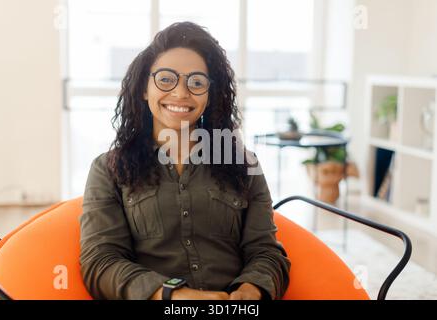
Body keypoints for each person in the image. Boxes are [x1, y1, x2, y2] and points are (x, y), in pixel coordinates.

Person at [79, 21, 290, 300]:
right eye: (166, 79)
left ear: (210, 94)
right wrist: (173, 296)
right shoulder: (108, 170)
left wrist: (250, 291)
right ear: (144, 88)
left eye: (197, 82)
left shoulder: (244, 166)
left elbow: (265, 251)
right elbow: (100, 261)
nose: (181, 93)